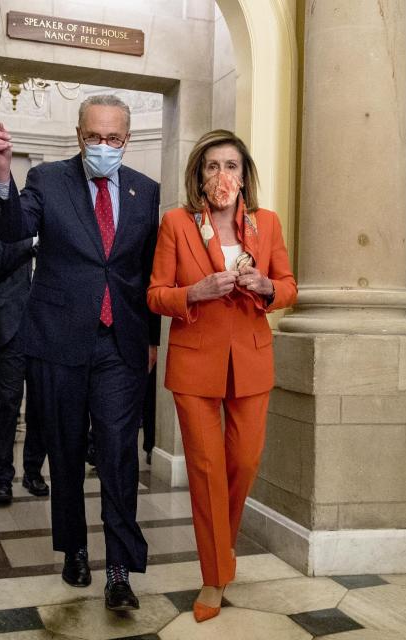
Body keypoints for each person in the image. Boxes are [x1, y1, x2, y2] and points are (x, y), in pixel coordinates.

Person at [0, 94, 160, 612]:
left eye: (113, 138)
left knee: (120, 454)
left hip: (119, 343)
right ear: (79, 136)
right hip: (57, 341)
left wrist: (152, 341)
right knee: (67, 450)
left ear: (128, 140)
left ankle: (120, 567)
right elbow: (13, 229)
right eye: (94, 136)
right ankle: (74, 548)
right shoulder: (48, 181)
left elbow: (149, 273)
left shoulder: (148, 192)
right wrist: (3, 172)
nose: (103, 146)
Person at [146, 130, 297, 622]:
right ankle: (213, 577)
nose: (222, 176)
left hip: (252, 362)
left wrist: (267, 286)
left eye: (231, 165)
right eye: (212, 166)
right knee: (206, 471)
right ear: (199, 175)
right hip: (194, 364)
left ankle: (221, 555)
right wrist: (194, 292)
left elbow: (290, 286)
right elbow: (155, 294)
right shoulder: (176, 224)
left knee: (244, 463)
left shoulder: (268, 224)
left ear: (244, 174)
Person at [0, 230, 48, 506]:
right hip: (12, 329)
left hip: (45, 332)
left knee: (40, 405)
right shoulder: (9, 228)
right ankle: (2, 479)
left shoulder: (56, 228)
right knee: (9, 402)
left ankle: (33, 472)